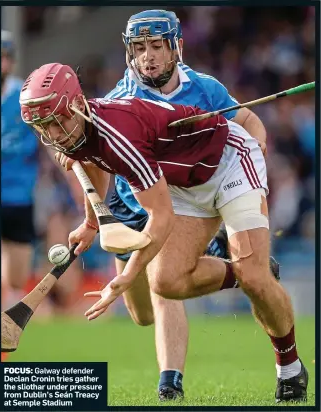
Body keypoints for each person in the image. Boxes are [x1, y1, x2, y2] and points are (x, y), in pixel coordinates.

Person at [19, 62, 308, 403]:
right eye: (45, 125)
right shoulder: (75, 129)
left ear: (77, 104)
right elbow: (91, 163)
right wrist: (92, 223)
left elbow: (161, 216)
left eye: (57, 120)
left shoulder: (119, 136)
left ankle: (289, 368)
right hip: (186, 185)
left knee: (253, 278)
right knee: (165, 282)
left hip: (228, 161)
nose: (53, 133)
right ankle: (245, 272)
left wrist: (128, 274)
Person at [103, 9, 278, 400]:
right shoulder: (120, 98)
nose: (147, 56)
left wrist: (258, 148)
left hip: (171, 202)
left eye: (157, 46)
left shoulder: (205, 88)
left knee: (164, 286)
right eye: (140, 48)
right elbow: (91, 138)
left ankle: (170, 383)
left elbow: (247, 120)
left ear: (176, 47)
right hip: (129, 202)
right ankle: (228, 262)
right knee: (140, 313)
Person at [1, 30, 38, 315]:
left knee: (16, 278)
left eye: (5, 57)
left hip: (18, 197)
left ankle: (10, 330)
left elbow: (50, 144)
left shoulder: (26, 97)